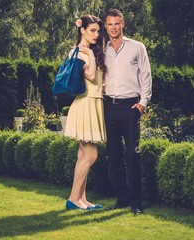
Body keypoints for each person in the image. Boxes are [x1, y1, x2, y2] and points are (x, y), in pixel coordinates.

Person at [103, 9, 152, 215]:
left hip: (131, 107)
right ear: (106, 27)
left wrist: (143, 102)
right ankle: (121, 199)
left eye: (117, 24)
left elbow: (146, 74)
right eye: (110, 24)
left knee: (132, 155)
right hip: (109, 106)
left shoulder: (137, 47)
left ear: (122, 24)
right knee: (114, 156)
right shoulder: (102, 50)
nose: (113, 28)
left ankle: (136, 203)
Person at [64, 15, 107, 210]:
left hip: (93, 102)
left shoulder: (90, 51)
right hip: (86, 104)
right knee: (91, 156)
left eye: (98, 31)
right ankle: (73, 199)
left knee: (83, 156)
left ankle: (81, 199)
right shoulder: (79, 52)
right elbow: (90, 76)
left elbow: (100, 81)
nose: (96, 34)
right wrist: (90, 56)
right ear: (82, 30)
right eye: (92, 31)